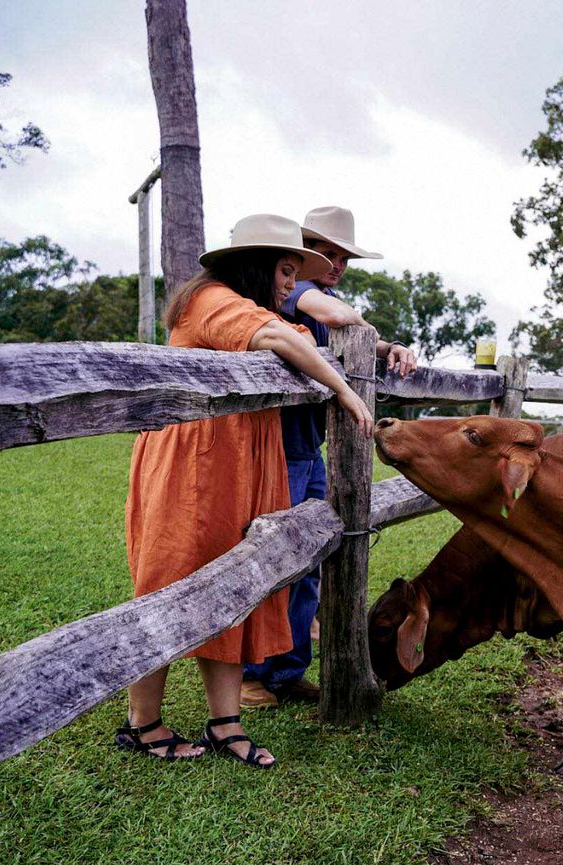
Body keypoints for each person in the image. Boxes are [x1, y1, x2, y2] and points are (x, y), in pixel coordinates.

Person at [121, 213, 374, 767]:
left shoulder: (257, 307)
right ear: (256, 267)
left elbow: (297, 336)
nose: (292, 283)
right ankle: (142, 725)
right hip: (193, 464)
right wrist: (347, 395)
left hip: (240, 464)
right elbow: (279, 337)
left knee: (234, 584)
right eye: (285, 270)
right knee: (165, 583)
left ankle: (225, 723)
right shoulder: (211, 300)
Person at [239, 206, 416, 709]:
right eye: (329, 254)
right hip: (281, 447)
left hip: (310, 447)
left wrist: (387, 347)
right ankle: (254, 675)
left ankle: (288, 669)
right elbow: (339, 319)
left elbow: (345, 324)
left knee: (313, 557)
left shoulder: (321, 296)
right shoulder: (296, 292)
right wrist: (365, 333)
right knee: (277, 557)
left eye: (343, 257)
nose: (336, 264)